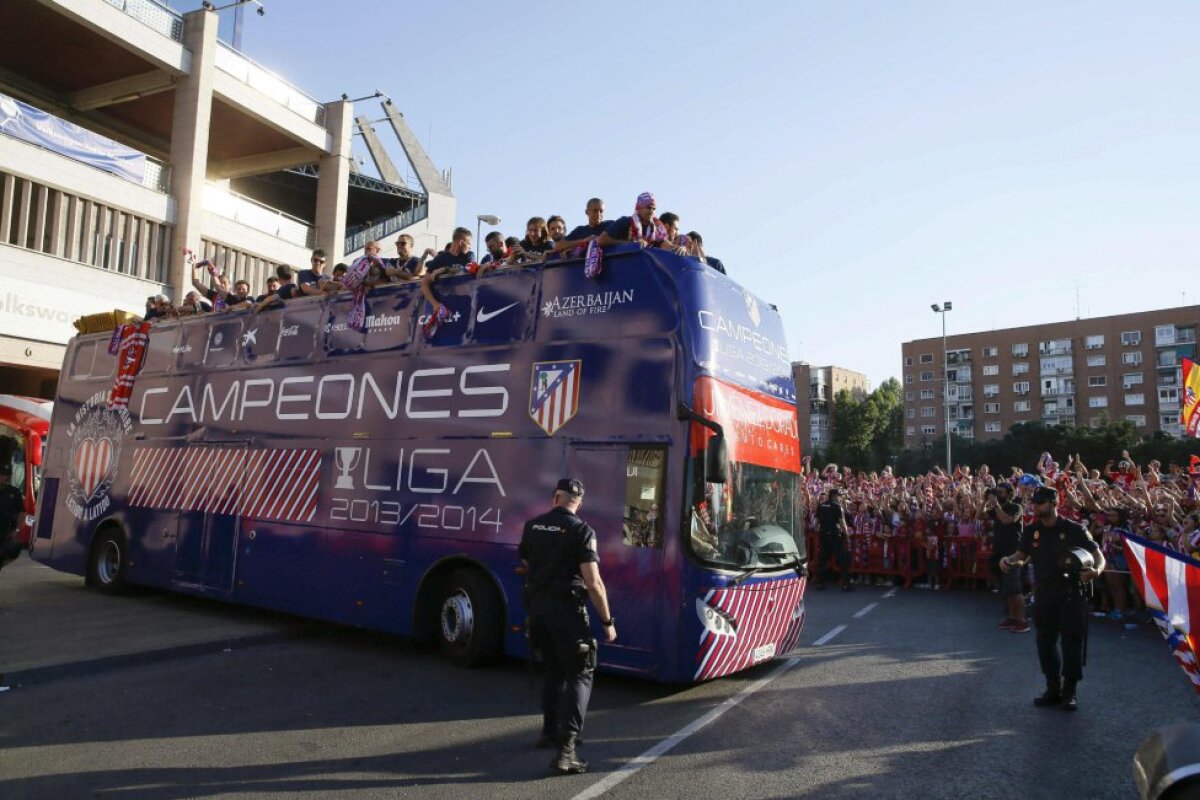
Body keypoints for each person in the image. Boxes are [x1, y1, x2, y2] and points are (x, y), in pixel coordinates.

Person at [518, 478, 616, 775]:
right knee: (580, 674)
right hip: (568, 613)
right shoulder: (582, 531)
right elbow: (594, 582)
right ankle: (567, 751)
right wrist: (607, 622)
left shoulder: (533, 525)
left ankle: (549, 732)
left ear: (555, 497)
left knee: (553, 670)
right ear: (579, 502)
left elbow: (525, 563)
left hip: (538, 612)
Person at [1000, 485, 1105, 711]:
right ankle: (1052, 687)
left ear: (1054, 503)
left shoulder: (1074, 529)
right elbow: (1022, 556)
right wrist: (1008, 560)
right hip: (1045, 592)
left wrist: (1095, 571)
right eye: (1034, 502)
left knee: (1071, 642)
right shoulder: (1032, 530)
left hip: (1071, 593)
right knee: (1045, 642)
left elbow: (1099, 556)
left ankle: (1070, 690)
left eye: (1041, 502)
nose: (1036, 506)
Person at [986, 482, 1028, 633]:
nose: (998, 494)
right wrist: (986, 500)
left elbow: (1007, 520)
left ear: (1010, 494)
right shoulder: (997, 508)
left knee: (1014, 588)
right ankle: (1012, 617)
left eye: (1001, 492)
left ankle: (1022, 620)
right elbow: (979, 515)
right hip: (999, 553)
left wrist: (996, 504)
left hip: (1014, 552)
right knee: (1005, 588)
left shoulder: (1017, 507)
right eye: (997, 492)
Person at [816, 488, 851, 590]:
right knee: (842, 559)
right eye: (839, 496)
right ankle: (845, 583)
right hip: (835, 535)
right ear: (835, 496)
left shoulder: (821, 506)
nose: (840, 498)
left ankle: (820, 583)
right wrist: (847, 536)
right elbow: (842, 522)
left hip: (823, 535)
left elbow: (816, 523)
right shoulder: (837, 507)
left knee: (822, 559)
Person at [0, 463, 24, 572]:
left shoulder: (14, 492)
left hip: (7, 532)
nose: (7, 477)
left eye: (8, 474)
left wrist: (17, 530)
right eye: (3, 474)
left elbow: (20, 513)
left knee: (12, 553)